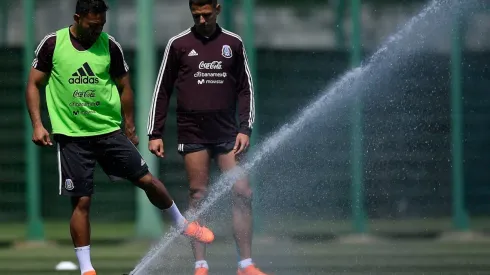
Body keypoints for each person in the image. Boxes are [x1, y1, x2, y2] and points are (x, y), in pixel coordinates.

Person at [25, 1, 214, 275]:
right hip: (72, 137)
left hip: (108, 131)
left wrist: (129, 125)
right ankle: (87, 270)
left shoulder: (110, 45)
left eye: (102, 24)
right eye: (92, 25)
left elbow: (124, 86)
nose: (98, 30)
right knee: (81, 201)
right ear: (78, 18)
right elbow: (34, 83)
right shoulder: (53, 44)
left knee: (147, 180)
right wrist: (37, 124)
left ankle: (183, 225)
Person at [147, 0, 267, 274]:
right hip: (193, 132)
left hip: (227, 133)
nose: (201, 20)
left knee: (242, 191)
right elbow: (162, 90)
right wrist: (155, 133)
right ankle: (201, 265)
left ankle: (245, 265)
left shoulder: (232, 43)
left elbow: (245, 89)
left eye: (206, 14)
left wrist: (244, 128)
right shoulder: (178, 44)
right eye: (196, 15)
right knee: (199, 195)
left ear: (218, 9)